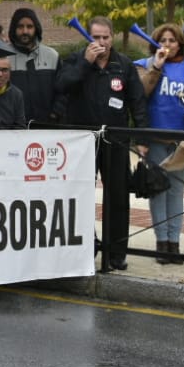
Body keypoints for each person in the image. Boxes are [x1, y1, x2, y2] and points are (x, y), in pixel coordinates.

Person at [56, 17, 149, 271]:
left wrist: (142, 138)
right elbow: (63, 85)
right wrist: (85, 64)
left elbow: (137, 102)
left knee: (118, 197)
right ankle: (84, 248)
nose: (101, 43)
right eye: (96, 37)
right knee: (81, 197)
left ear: (112, 38)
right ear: (88, 38)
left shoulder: (124, 65)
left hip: (115, 141)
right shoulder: (76, 60)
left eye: (105, 37)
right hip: (83, 142)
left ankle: (116, 253)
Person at [133, 23, 184, 264]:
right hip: (155, 139)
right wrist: (156, 67)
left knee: (176, 192)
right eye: (162, 40)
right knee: (158, 191)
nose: (167, 45)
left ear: (180, 43)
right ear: (155, 44)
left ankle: (174, 243)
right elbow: (140, 94)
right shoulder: (145, 65)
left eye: (172, 40)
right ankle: (161, 242)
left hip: (181, 141)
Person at [6, 8, 61, 125]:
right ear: (13, 29)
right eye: (20, 26)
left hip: (47, 127)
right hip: (14, 128)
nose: (25, 31)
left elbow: (62, 90)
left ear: (36, 28)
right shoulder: (4, 57)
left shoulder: (52, 55)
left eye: (29, 26)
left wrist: (55, 114)